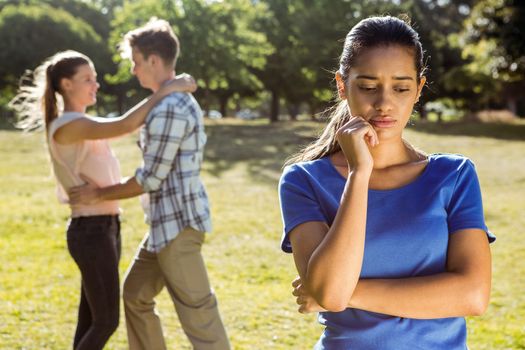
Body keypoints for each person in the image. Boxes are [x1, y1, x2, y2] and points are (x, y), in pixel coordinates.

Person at [278, 16, 495, 350]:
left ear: (419, 89)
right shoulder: (303, 181)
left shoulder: (454, 176)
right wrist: (358, 173)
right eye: (367, 86)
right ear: (341, 85)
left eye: (401, 87)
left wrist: (344, 294)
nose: (384, 103)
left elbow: (472, 295)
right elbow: (331, 293)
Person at [8, 50, 196, 350]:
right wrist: (167, 89)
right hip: (91, 231)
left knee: (90, 320)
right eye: (88, 79)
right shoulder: (68, 126)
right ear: (67, 85)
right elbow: (124, 124)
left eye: (95, 78)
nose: (96, 84)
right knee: (106, 320)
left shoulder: (82, 122)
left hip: (106, 227)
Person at [68, 19, 230, 350]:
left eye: (136, 62)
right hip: (162, 226)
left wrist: (98, 194)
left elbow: (149, 178)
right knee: (136, 294)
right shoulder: (165, 102)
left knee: (199, 313)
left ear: (154, 61)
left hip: (178, 226)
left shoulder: (170, 108)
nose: (133, 70)